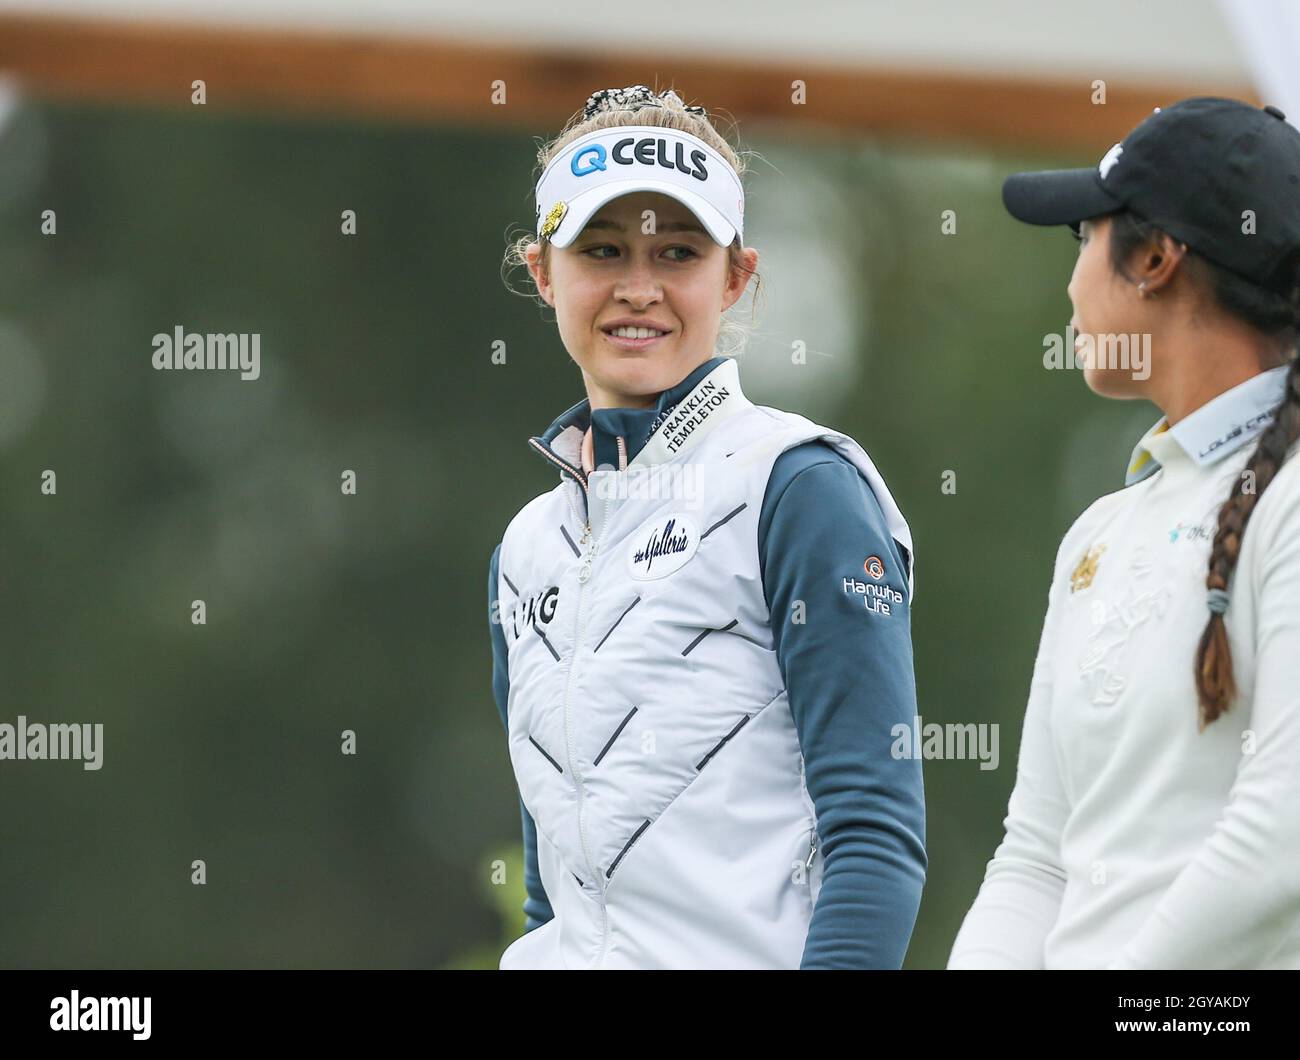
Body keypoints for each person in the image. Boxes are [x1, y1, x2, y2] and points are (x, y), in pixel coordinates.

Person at [487, 84, 926, 969]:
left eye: (677, 251)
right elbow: (554, 893)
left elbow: (876, 841)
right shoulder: (524, 549)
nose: (639, 288)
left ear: (734, 276)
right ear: (544, 272)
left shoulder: (799, 486)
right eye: (602, 250)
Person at [948, 97, 1300, 969]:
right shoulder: (1098, 533)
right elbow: (1035, 853)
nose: (1070, 284)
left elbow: (1285, 830)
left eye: (1082, 239)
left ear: (1153, 257)